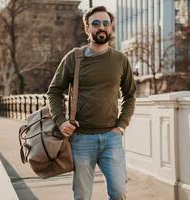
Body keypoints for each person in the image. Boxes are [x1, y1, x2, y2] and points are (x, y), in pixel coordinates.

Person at [47, 6, 136, 200]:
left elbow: (130, 96)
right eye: (95, 23)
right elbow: (54, 91)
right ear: (87, 29)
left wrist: (121, 125)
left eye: (106, 23)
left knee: (119, 192)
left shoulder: (120, 60)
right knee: (82, 196)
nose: (101, 27)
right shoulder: (74, 58)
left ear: (111, 28)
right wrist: (61, 121)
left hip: (111, 138)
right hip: (81, 139)